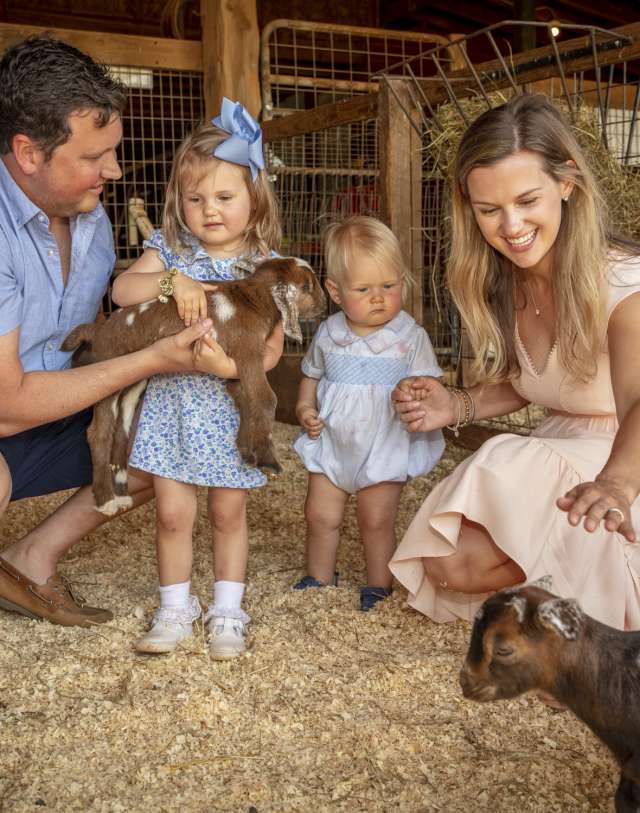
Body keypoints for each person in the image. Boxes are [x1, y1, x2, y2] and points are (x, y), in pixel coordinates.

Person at [389, 94, 640, 631]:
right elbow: (535, 382)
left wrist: (617, 485)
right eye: (489, 210)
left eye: (528, 200)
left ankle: (579, 616)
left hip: (627, 457)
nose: (511, 225)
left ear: (567, 185)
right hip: (564, 445)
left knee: (510, 458)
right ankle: (555, 603)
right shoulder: (504, 280)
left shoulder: (623, 282)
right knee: (449, 563)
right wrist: (454, 403)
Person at [0, 36, 213, 628]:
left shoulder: (92, 223)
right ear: (28, 153)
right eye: (94, 158)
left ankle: (31, 557)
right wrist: (151, 360)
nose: (113, 172)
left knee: (169, 433)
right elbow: (6, 404)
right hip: (8, 409)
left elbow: (91, 332)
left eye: (113, 152)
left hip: (49, 403)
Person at [110, 100, 284, 658]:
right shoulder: (170, 253)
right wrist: (171, 283)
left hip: (230, 409)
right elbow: (120, 293)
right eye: (196, 198)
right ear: (179, 203)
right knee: (170, 513)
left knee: (228, 512)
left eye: (225, 197)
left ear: (254, 202)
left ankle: (228, 611)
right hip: (171, 408)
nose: (210, 210)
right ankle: (175, 608)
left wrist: (229, 368)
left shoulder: (263, 267)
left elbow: (275, 349)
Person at [292, 216, 445, 611]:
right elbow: (310, 376)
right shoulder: (328, 333)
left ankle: (378, 584)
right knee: (318, 515)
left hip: (384, 442)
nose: (379, 297)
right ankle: (319, 576)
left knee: (376, 520)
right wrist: (305, 407)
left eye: (389, 286)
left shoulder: (410, 337)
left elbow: (428, 390)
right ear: (336, 292)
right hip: (333, 442)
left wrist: (412, 394)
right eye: (363, 289)